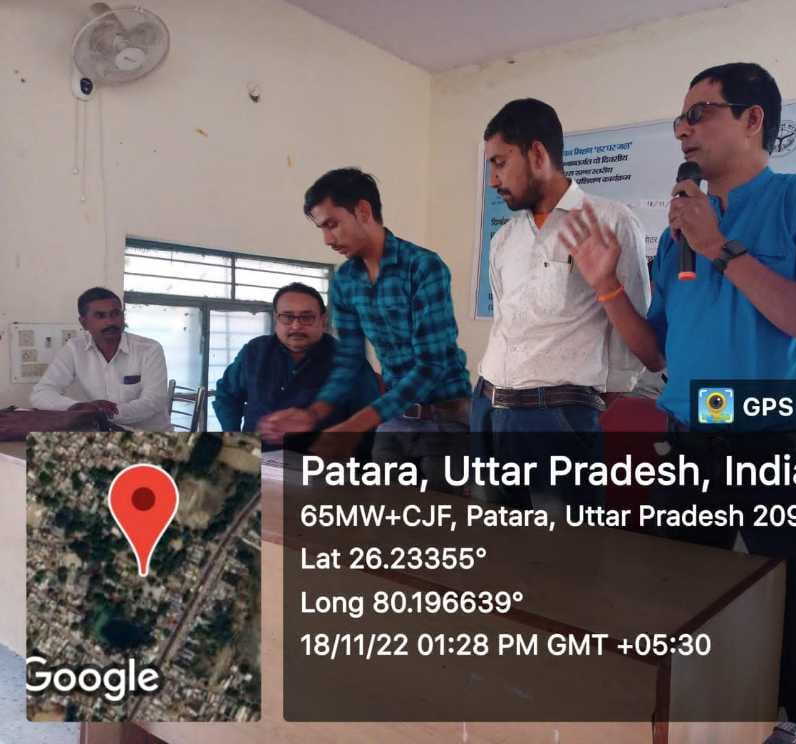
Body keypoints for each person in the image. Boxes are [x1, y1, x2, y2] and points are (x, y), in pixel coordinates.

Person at [562, 63, 796, 723]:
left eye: (699, 113)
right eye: (679, 119)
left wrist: (720, 247)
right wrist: (606, 285)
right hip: (689, 452)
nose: (682, 129)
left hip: (780, 456)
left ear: (753, 119)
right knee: (672, 616)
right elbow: (657, 353)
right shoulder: (680, 235)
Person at [472, 98, 650, 509]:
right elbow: (504, 324)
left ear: (537, 155)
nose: (493, 179)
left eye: (500, 163)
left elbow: (632, 340)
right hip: (487, 408)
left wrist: (574, 410)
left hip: (554, 419)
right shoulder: (504, 238)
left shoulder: (610, 222)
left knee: (561, 546)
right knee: (492, 538)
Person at [259, 168, 471, 484]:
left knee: (438, 514)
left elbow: (432, 366)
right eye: (321, 229)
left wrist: (355, 426)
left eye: (332, 224)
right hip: (393, 417)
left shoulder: (423, 266)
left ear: (363, 211)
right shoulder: (345, 280)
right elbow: (349, 359)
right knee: (379, 510)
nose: (327, 240)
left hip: (446, 421)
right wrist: (314, 413)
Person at [212, 282, 379, 441]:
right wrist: (234, 435)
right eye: (287, 317)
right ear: (276, 320)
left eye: (307, 317)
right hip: (256, 451)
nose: (296, 326)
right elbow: (226, 395)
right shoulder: (254, 351)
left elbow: (371, 414)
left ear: (323, 321)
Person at [31, 287, 170, 431]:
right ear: (84, 323)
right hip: (100, 435)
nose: (110, 322)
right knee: (37, 443)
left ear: (123, 317)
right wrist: (77, 407)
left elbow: (154, 401)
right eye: (100, 316)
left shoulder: (149, 349)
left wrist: (103, 413)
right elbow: (41, 393)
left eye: (115, 314)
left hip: (150, 437)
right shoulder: (74, 349)